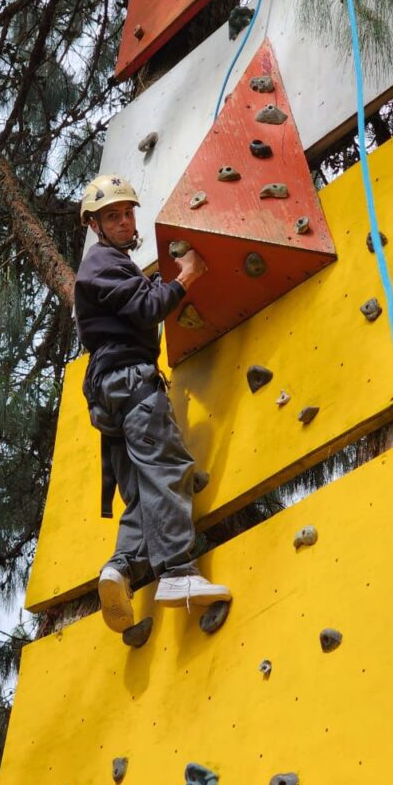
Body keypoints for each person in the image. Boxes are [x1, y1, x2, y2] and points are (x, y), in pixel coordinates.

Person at [74, 174, 232, 634]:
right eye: (112, 217)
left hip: (111, 394)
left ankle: (119, 568)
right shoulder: (101, 263)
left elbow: (139, 302)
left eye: (127, 214)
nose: (124, 223)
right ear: (95, 225)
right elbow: (147, 310)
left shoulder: (110, 266)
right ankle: (178, 574)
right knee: (167, 468)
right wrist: (187, 276)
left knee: (141, 491)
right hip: (129, 383)